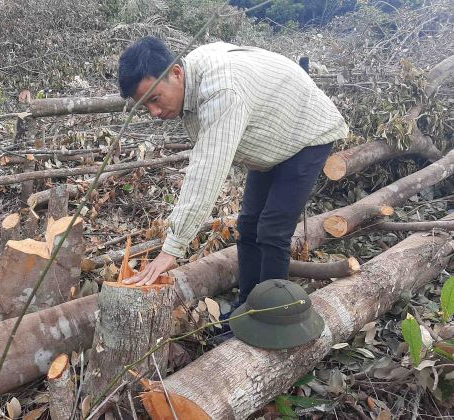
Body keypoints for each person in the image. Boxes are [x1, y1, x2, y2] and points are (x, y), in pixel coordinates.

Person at [118, 37, 348, 307]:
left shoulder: (221, 91)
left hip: (308, 132)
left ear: (176, 73)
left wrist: (172, 247)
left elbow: (207, 170)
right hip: (272, 135)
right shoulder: (193, 76)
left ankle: (272, 317)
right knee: (248, 226)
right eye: (145, 106)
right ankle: (247, 307)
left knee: (273, 231)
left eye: (155, 99)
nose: (154, 112)